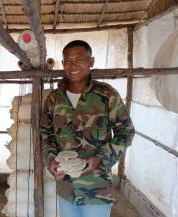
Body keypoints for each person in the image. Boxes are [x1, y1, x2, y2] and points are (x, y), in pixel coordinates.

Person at [40, 40, 135, 217]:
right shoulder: (54, 98)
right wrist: (51, 160)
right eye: (68, 60)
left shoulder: (106, 95)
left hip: (97, 189)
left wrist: (100, 158)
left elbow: (126, 132)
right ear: (63, 64)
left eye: (79, 59)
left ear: (91, 62)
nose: (73, 65)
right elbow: (46, 134)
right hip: (66, 187)